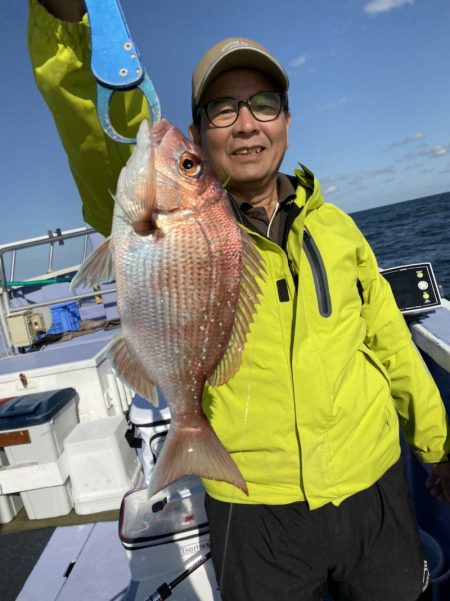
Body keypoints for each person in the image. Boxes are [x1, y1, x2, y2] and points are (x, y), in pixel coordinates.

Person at [29, 2, 450, 600]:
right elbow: (94, 133)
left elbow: (391, 346)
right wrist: (66, 25)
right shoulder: (169, 211)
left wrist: (439, 447)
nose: (247, 123)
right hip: (253, 504)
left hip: (375, 485)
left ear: (286, 121)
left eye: (264, 104)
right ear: (199, 133)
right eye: (224, 108)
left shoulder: (339, 231)